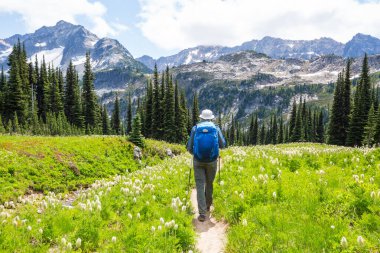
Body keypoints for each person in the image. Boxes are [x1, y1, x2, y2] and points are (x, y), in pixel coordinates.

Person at [187, 109, 227, 222]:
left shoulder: (195, 128)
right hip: (212, 161)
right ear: (211, 118)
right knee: (209, 183)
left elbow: (189, 146)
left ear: (201, 118)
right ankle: (208, 205)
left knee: (199, 185)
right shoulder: (215, 128)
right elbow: (223, 144)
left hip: (198, 160)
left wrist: (194, 153)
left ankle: (202, 213)